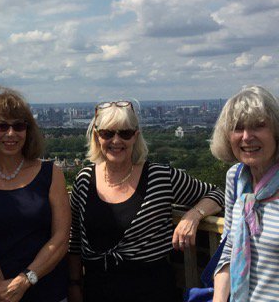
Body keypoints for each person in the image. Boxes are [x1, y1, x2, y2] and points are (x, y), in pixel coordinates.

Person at [68, 100, 225, 302]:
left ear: (136, 136)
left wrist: (194, 216)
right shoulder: (85, 179)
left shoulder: (160, 177)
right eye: (108, 133)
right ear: (97, 136)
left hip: (151, 291)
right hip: (96, 290)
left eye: (125, 133)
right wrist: (74, 284)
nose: (116, 140)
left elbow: (217, 193)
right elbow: (75, 239)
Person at [0, 86, 70, 302]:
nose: (10, 134)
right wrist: (2, 291)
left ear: (27, 130)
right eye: (1, 126)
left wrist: (24, 280)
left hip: (45, 291)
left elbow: (60, 238)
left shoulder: (51, 174)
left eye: (18, 126)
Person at [211, 86, 279, 302]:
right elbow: (230, 244)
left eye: (258, 126)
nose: (247, 137)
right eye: (238, 128)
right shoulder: (237, 177)